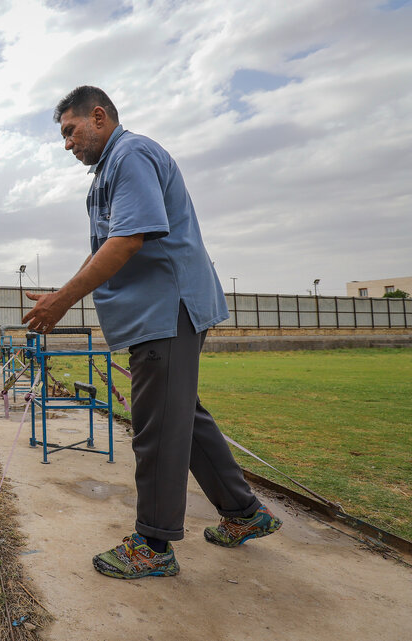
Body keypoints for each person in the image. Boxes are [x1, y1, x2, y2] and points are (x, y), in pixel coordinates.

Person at [24, 86, 281, 579]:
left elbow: (128, 240)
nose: (67, 144)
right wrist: (60, 292)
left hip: (168, 310)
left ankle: (154, 544)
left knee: (158, 430)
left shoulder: (132, 154)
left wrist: (64, 301)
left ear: (98, 117)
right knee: (183, 419)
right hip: (156, 315)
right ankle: (245, 512)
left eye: (70, 131)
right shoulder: (109, 172)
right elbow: (107, 242)